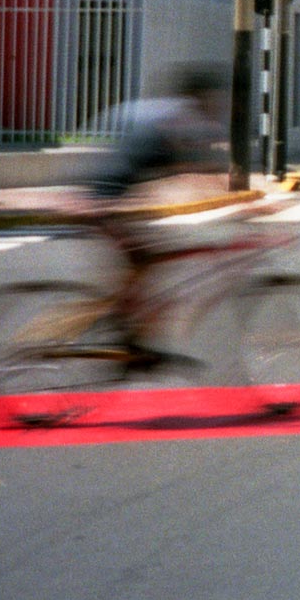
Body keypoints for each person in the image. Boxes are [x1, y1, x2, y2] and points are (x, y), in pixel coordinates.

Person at [73, 63, 232, 371]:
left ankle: (128, 329)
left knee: (149, 261)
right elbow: (194, 169)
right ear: (200, 97)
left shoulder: (174, 116)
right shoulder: (179, 121)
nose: (218, 106)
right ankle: (122, 329)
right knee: (146, 258)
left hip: (109, 196)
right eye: (214, 99)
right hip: (103, 199)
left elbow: (192, 170)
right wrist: (249, 208)